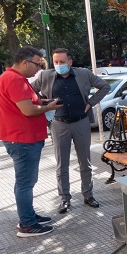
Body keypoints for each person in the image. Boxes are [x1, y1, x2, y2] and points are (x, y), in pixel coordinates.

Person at [31, 48, 110, 214]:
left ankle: (88, 195)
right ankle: (65, 199)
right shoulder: (45, 76)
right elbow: (29, 91)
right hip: (59, 124)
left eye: (62, 62)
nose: (59, 65)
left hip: (81, 123)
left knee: (85, 163)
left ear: (70, 62)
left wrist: (91, 103)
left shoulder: (83, 74)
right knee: (62, 165)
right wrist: (43, 103)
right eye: (56, 62)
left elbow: (104, 86)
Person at [0, 46, 62, 237]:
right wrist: (47, 107)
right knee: (25, 183)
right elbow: (28, 111)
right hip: (22, 140)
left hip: (21, 139)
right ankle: (27, 225)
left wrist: (42, 102)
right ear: (25, 62)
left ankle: (28, 216)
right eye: (37, 64)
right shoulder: (15, 80)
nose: (39, 69)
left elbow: (26, 104)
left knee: (25, 182)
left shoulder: (12, 78)